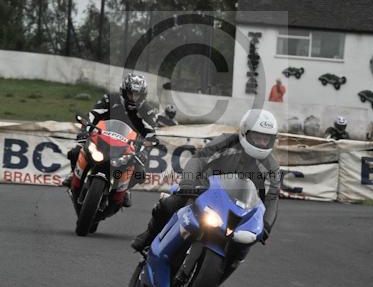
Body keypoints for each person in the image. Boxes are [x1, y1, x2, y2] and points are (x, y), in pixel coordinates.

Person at [131, 108, 281, 254]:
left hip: (239, 207)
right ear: (244, 132)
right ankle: (149, 236)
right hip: (204, 190)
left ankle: (227, 265)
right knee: (169, 203)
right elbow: (198, 160)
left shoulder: (271, 166)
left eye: (266, 139)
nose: (261, 143)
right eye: (257, 137)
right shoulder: (226, 142)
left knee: (244, 243)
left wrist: (266, 225)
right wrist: (187, 185)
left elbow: (272, 197)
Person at [64, 73, 158, 207]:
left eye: (137, 95)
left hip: (127, 146)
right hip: (101, 137)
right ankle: (73, 175)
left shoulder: (148, 111)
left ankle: (125, 190)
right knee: (75, 151)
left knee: (139, 173)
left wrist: (144, 150)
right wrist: (84, 130)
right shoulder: (110, 99)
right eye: (130, 94)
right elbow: (92, 115)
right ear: (123, 92)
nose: (133, 98)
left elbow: (151, 134)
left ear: (143, 96)